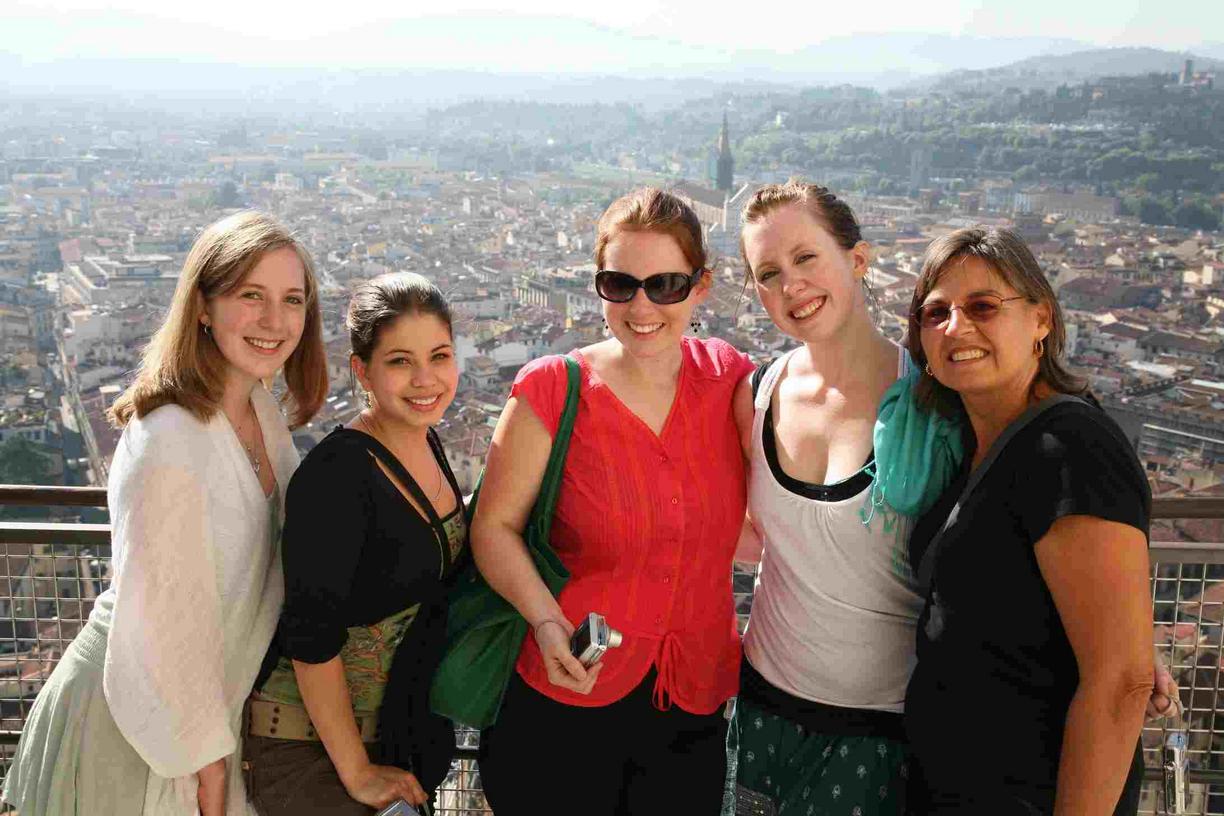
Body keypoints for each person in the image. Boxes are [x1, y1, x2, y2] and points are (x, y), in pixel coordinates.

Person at [727, 182, 1178, 816]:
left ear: (858, 260)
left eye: (807, 257)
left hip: (894, 736)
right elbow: (755, 530)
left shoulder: (946, 408)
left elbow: (1102, 626)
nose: (791, 284)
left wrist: (1129, 650)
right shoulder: (763, 391)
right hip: (775, 707)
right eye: (768, 272)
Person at [2, 210, 327, 816]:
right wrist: (204, 760)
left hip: (195, 716)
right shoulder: (170, 435)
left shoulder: (262, 413)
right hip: (141, 718)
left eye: (292, 300)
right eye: (250, 295)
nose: (275, 321)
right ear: (202, 305)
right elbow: (161, 614)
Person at [472, 188, 755, 816]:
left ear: (701, 286)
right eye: (620, 284)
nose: (642, 305)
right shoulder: (551, 389)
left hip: (692, 700)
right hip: (566, 695)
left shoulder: (731, 378)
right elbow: (492, 527)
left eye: (666, 285)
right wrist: (546, 622)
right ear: (599, 287)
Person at [903, 226, 1153, 814]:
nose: (955, 327)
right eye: (935, 313)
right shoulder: (971, 446)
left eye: (983, 306)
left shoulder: (1074, 448)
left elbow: (1122, 682)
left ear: (1041, 319)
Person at [244, 272, 463, 814]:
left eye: (439, 356)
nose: (425, 379)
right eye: (399, 361)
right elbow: (310, 637)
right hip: (309, 752)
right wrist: (358, 773)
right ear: (361, 370)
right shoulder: (337, 475)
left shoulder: (428, 442)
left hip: (385, 739)